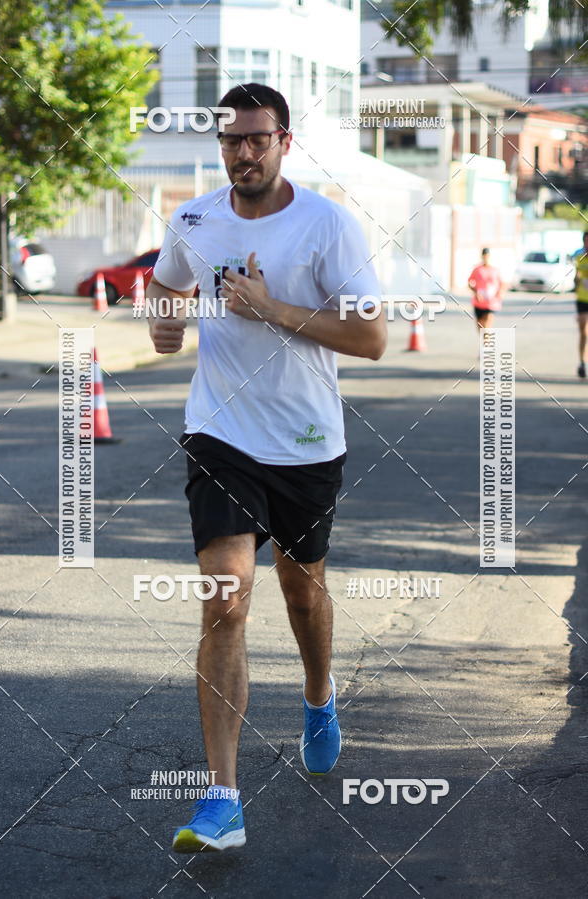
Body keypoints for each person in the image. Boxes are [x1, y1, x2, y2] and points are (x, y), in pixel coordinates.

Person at [147, 83, 387, 853]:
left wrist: (269, 308)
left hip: (307, 441)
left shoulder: (327, 225)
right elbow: (166, 284)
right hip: (219, 431)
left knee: (301, 586)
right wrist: (165, 322)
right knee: (226, 600)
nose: (243, 152)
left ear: (286, 140)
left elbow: (373, 337)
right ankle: (222, 799)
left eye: (257, 138)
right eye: (231, 140)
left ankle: (319, 696)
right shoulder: (194, 217)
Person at [468, 248, 503, 330]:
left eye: (487, 256)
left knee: (487, 325)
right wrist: (476, 292)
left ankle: (486, 342)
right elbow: (469, 282)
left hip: (491, 302)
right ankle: (483, 341)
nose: (486, 258)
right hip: (479, 301)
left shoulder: (495, 270)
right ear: (482, 257)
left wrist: (499, 293)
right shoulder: (477, 269)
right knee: (480, 326)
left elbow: (502, 284)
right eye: (484, 256)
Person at [573, 231, 588, 378]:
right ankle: (582, 362)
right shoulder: (579, 258)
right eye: (586, 242)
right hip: (582, 299)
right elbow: (575, 278)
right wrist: (577, 279)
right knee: (584, 332)